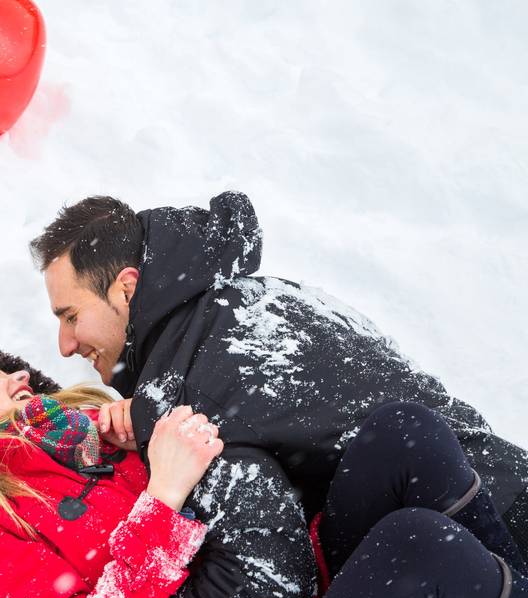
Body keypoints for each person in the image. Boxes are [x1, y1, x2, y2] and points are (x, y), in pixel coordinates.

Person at [0, 340, 528, 598]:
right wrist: (159, 499)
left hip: (298, 575)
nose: (20, 372)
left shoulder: (102, 432)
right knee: (414, 543)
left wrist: (148, 417)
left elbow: (243, 482)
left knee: (402, 431)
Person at [28, 190, 528, 550]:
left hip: (489, 523)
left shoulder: (214, 346)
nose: (66, 345)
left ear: (127, 288)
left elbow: (227, 397)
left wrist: (147, 415)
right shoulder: (246, 302)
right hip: (477, 505)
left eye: (71, 316)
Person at [0, 338, 316, 598]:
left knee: (386, 446)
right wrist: (161, 498)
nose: (18, 374)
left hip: (286, 570)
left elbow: (233, 477)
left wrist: (146, 431)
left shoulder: (93, 429)